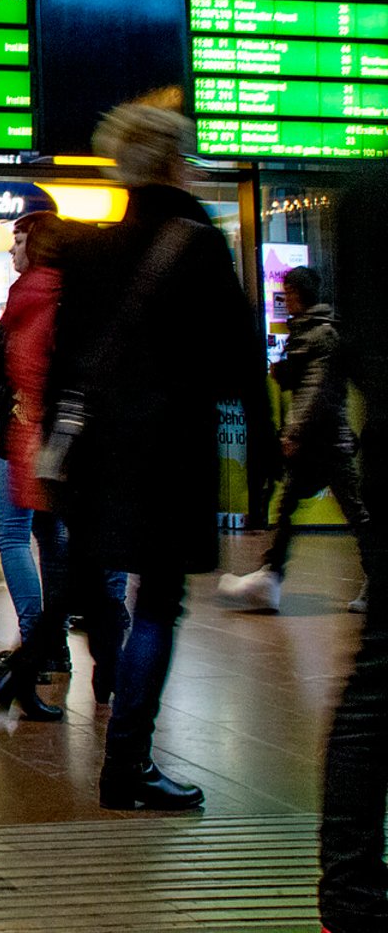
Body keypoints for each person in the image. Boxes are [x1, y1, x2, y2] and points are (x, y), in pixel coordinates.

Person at [53, 102, 276, 811]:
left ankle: (77, 680)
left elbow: (65, 363)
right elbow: (239, 358)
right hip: (170, 450)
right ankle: (127, 761)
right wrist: (263, 451)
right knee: (159, 601)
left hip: (97, 452)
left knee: (98, 582)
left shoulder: (89, 248)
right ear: (178, 162)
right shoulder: (195, 239)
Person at [320, 167, 388, 933]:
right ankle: (350, 888)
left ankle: (350, 887)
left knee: (377, 676)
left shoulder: (363, 195)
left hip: (387, 452)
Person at [219, 265, 369, 613]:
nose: (284, 299)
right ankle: (269, 576)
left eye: (286, 293)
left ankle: (273, 577)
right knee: (290, 508)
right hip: (320, 443)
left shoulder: (320, 335)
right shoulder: (308, 332)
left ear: (298, 295)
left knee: (355, 513)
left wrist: (293, 432)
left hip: (325, 443)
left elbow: (315, 391)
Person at [0, 212, 74, 718]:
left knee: (12, 535)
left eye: (18, 241)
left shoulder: (30, 295)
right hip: (55, 438)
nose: (12, 251)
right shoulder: (66, 291)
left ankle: (37, 642)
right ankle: (49, 640)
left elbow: (26, 372)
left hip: (24, 433)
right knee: (52, 535)